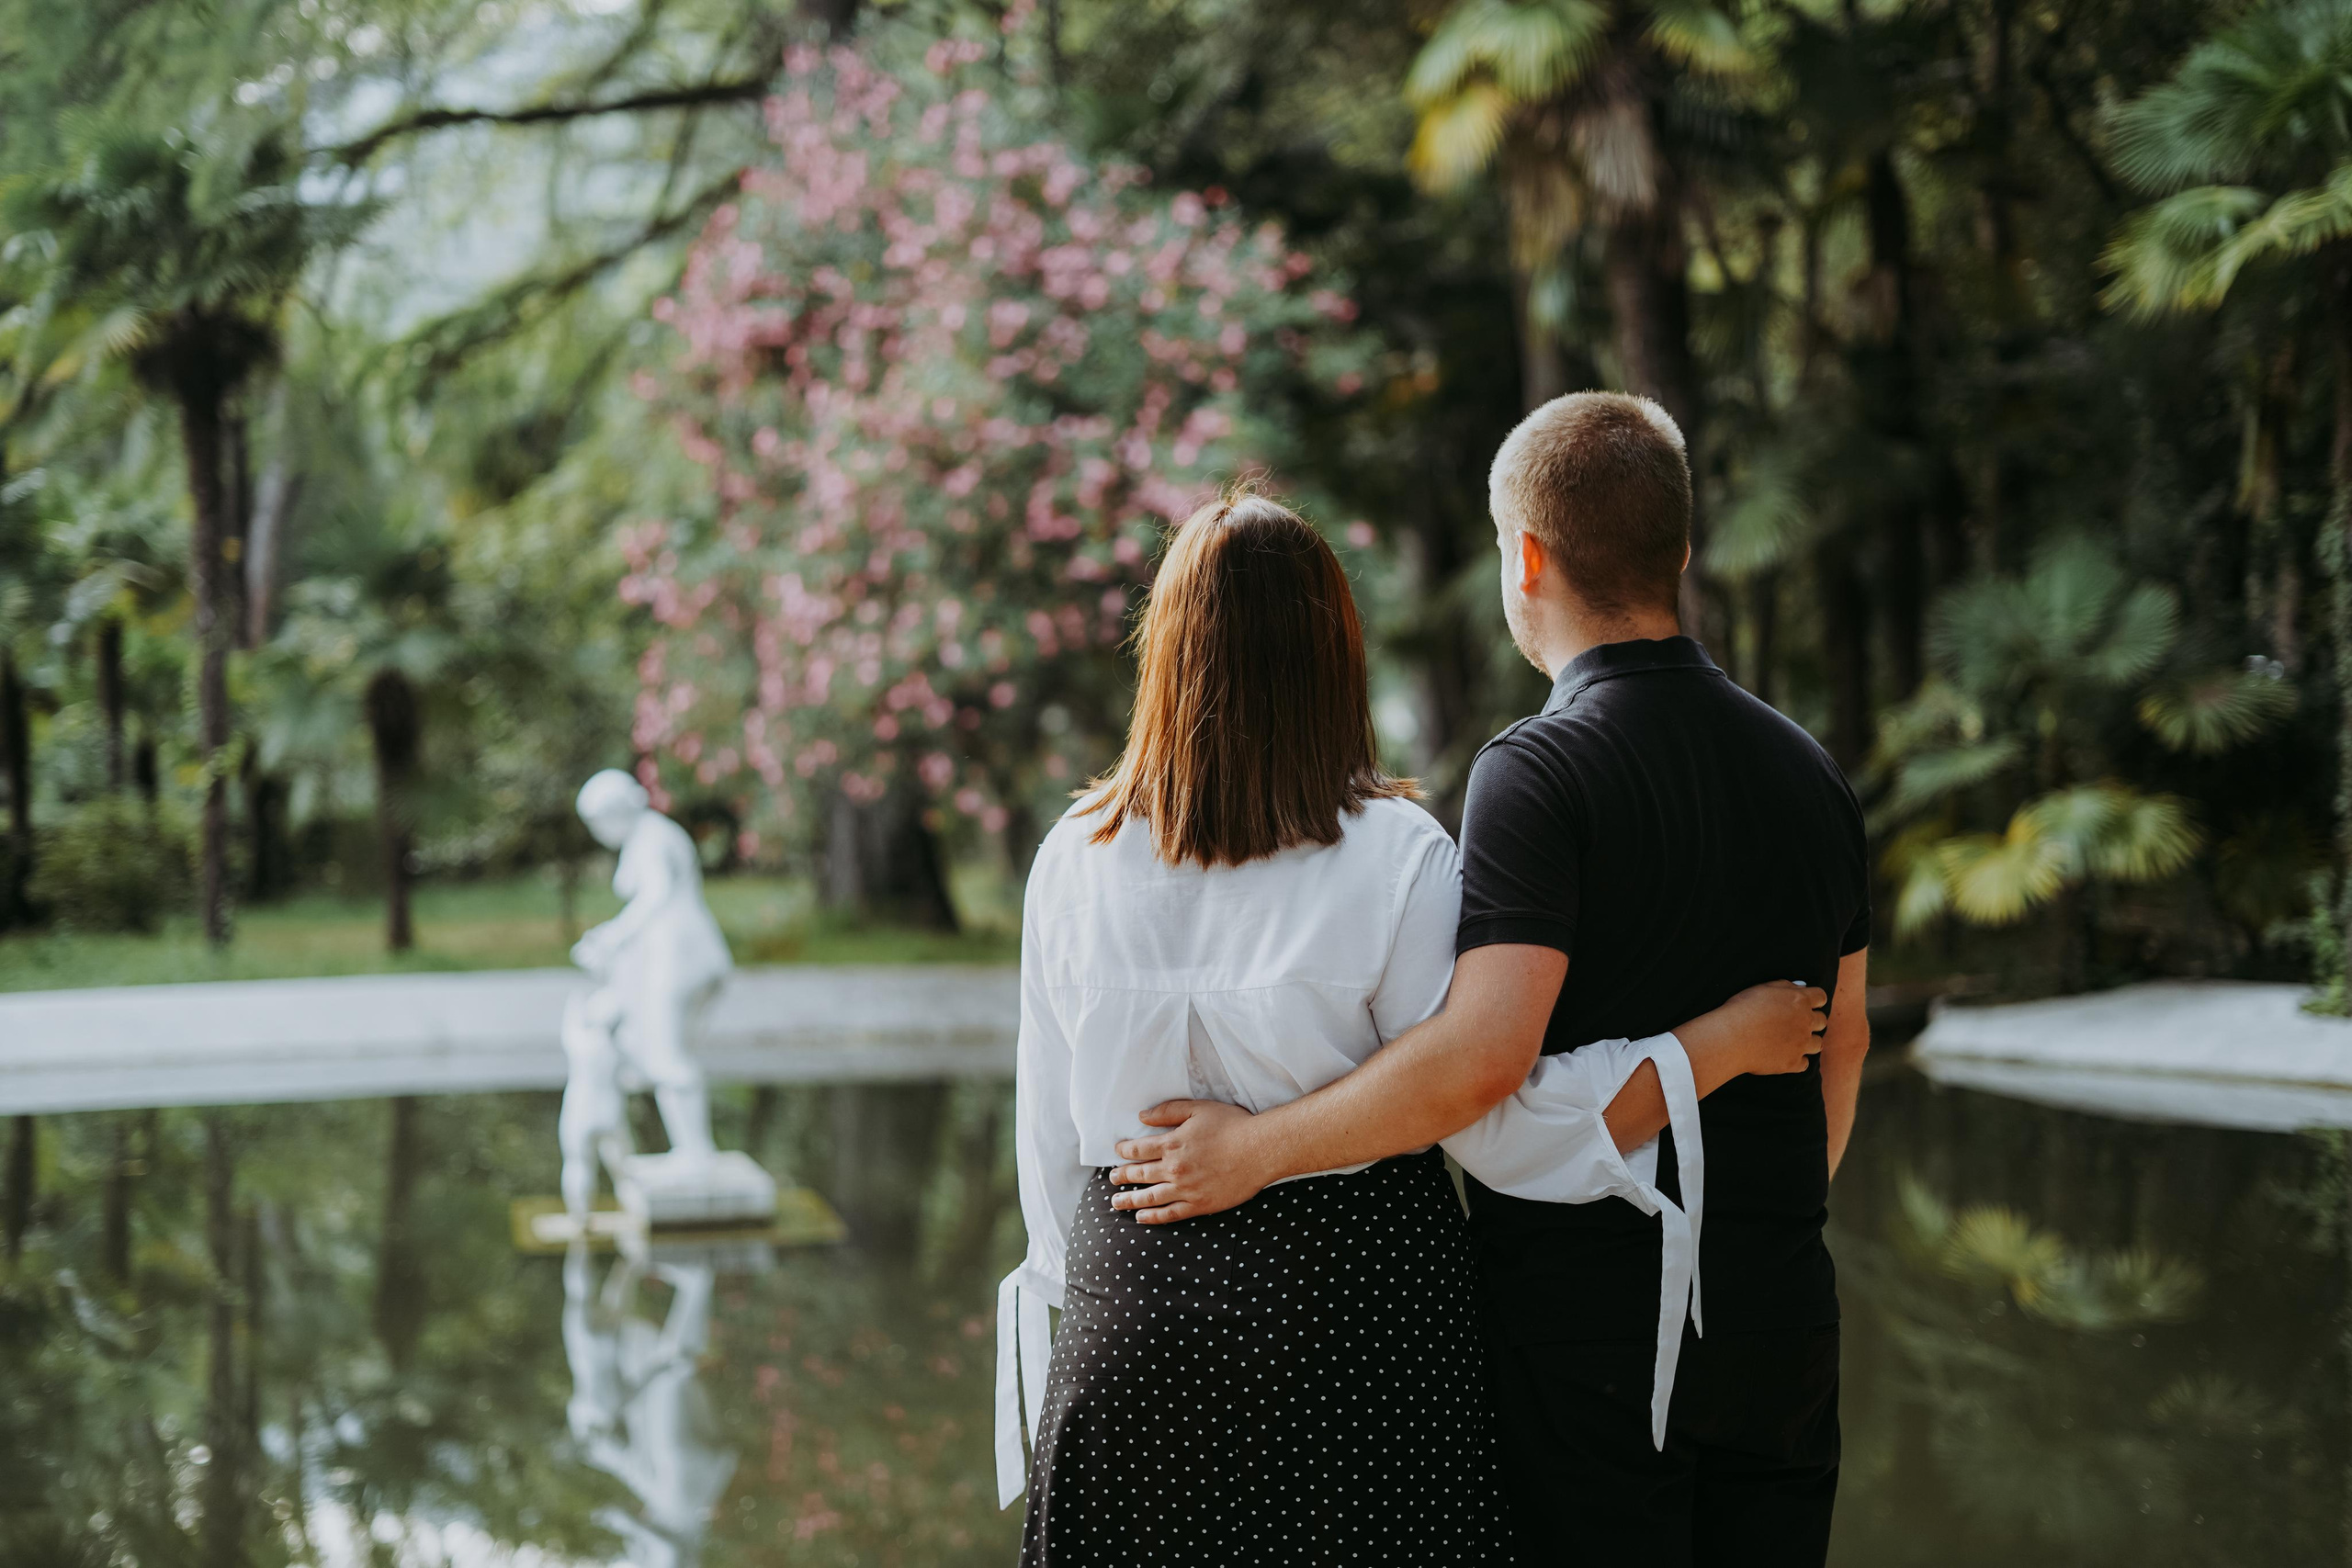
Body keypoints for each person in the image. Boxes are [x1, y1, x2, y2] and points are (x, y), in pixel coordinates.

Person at [1102, 396, 1874, 1567]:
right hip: (1782, 1317)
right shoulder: (1809, 770)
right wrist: (1761, 1224)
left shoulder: (1539, 770)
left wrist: (1253, 1151)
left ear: (1527, 560)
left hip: (1592, 1334)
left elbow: (1481, 1059)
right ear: (1678, 549)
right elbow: (1844, 1039)